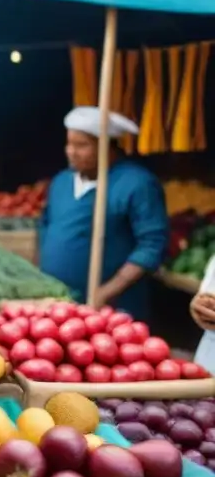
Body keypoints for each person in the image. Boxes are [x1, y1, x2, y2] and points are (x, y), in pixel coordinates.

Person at [38, 106, 169, 320]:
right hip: (59, 303)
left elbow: (152, 244)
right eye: (69, 143)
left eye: (81, 145)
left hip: (113, 308)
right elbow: (45, 226)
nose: (71, 151)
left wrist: (105, 292)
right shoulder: (62, 181)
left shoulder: (136, 184)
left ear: (107, 147)